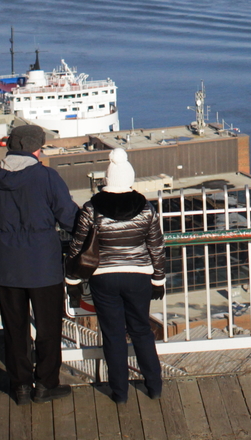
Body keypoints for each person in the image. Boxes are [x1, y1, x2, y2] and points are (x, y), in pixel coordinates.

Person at [0, 124, 77, 406]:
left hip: (6, 264)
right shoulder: (47, 177)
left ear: (11, 146)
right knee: (48, 328)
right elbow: (71, 220)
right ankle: (46, 385)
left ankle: (21, 386)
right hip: (44, 265)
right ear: (37, 149)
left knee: (14, 328)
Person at [65, 147, 166, 404]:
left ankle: (119, 393)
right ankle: (154, 385)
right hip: (139, 275)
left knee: (112, 334)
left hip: (104, 277)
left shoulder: (91, 208)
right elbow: (156, 246)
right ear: (130, 179)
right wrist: (158, 279)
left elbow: (77, 246)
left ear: (107, 179)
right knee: (142, 330)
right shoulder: (145, 208)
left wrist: (73, 280)